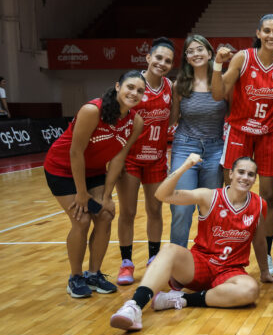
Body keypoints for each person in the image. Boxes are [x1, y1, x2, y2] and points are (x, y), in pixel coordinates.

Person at [110, 155, 267, 331]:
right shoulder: (209, 196)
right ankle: (134, 306)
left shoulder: (259, 205)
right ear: (230, 174)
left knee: (250, 291)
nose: (245, 177)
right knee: (169, 249)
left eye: (251, 174)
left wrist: (265, 272)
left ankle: (180, 298)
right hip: (200, 264)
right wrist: (185, 166)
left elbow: (259, 241)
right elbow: (162, 194)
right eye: (241, 172)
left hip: (230, 270)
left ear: (255, 179)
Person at [212, 13, 273, 281]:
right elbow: (217, 94)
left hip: (270, 135)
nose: (271, 35)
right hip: (239, 132)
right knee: (231, 195)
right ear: (258, 33)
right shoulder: (243, 58)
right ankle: (226, 255)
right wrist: (217, 65)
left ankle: (267, 260)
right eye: (267, 31)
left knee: (268, 197)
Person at [43, 71, 145, 298]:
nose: (134, 93)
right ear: (118, 86)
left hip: (96, 172)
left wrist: (107, 196)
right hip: (62, 169)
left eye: (140, 90)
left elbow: (119, 158)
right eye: (130, 87)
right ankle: (75, 277)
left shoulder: (136, 121)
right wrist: (81, 193)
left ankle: (93, 274)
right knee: (83, 219)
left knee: (106, 214)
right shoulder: (92, 111)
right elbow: (75, 152)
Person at [116, 37, 175, 285]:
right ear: (148, 58)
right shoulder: (133, 86)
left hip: (156, 159)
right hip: (130, 158)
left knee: (155, 210)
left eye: (168, 60)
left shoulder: (169, 86)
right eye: (158, 58)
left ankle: (152, 259)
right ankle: (126, 263)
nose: (162, 63)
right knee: (128, 211)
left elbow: (170, 121)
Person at [166, 34, 227, 251]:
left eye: (199, 49)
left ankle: (209, 256)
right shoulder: (180, 84)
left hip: (215, 149)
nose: (195, 54)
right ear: (186, 58)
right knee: (181, 209)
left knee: (209, 208)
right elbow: (172, 119)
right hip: (185, 147)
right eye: (190, 51)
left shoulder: (223, 81)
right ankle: (176, 261)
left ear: (210, 53)